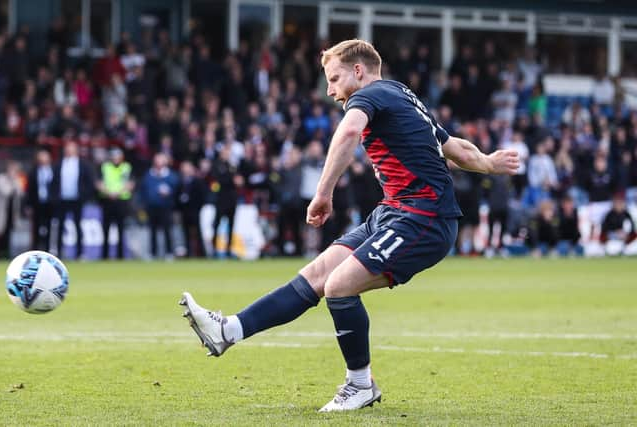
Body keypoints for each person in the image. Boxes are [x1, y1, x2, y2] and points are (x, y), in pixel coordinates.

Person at [179, 39, 519, 412]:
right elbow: (453, 146)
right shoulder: (402, 96)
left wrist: (322, 193)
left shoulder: (370, 96)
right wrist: (487, 162)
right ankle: (227, 330)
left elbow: (347, 133)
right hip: (394, 213)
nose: (330, 90)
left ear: (358, 71)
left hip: (425, 217)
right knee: (317, 274)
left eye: (334, 78)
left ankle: (360, 384)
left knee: (339, 287)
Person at [96, 148, 134, 259]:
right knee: (106, 228)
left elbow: (131, 183)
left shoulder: (127, 167)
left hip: (121, 200)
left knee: (121, 228)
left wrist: (117, 193)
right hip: (107, 200)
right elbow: (98, 183)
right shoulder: (104, 167)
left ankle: (120, 255)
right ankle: (104, 255)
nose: (115, 158)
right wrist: (109, 193)